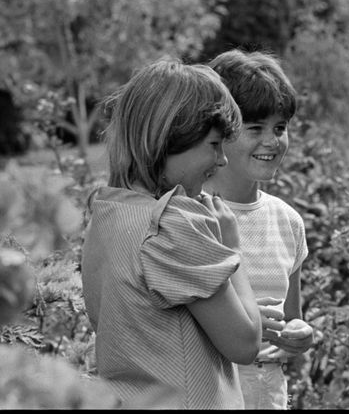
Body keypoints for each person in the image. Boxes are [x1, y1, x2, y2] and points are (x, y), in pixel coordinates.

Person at [81, 57, 263, 409]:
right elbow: (245, 343)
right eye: (213, 144)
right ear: (167, 139)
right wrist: (231, 249)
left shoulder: (106, 211)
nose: (222, 160)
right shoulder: (169, 225)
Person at [205, 48, 314, 409]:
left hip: (268, 395)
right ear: (219, 132)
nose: (272, 141)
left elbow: (291, 319)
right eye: (255, 128)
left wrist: (298, 336)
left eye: (280, 128)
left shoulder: (288, 222)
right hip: (210, 390)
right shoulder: (191, 216)